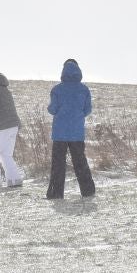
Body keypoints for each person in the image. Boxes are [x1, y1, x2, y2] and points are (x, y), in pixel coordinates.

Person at [46, 58, 96, 200]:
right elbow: (87, 110)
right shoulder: (84, 89)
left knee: (58, 164)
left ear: (63, 71)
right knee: (80, 162)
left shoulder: (57, 89)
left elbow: (53, 109)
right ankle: (88, 191)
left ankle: (55, 193)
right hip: (76, 133)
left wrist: (51, 108)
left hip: (60, 133)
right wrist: (77, 115)